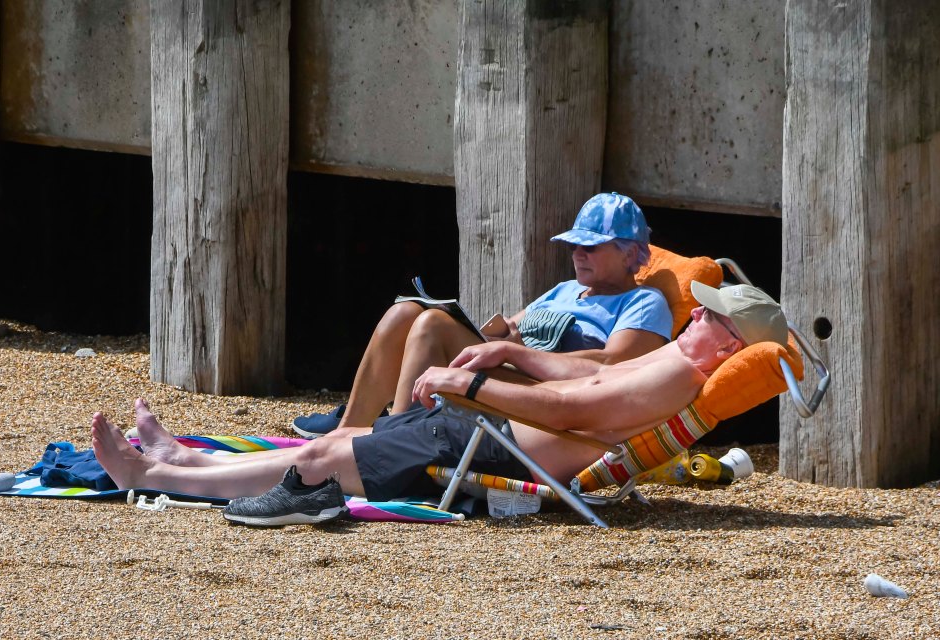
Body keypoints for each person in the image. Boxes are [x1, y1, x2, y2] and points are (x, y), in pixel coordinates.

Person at [91, 282, 789, 526]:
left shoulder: (675, 381)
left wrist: (474, 388)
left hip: (495, 450)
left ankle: (152, 475)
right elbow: (581, 379)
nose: (695, 316)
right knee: (330, 450)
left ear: (727, 346)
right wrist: (507, 353)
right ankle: (176, 458)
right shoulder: (675, 363)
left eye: (709, 317)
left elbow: (573, 411)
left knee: (324, 456)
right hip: (489, 435)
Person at [293, 192, 673, 438]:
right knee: (406, 311)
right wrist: (502, 336)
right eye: (574, 245)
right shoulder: (565, 290)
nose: (578, 254)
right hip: (511, 377)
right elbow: (510, 329)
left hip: (551, 398)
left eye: (591, 247)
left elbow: (615, 364)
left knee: (432, 324)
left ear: (629, 253)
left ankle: (391, 438)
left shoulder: (644, 302)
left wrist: (517, 353)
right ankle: (351, 429)